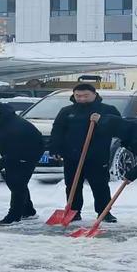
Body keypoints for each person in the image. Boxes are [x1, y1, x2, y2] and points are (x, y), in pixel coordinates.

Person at [50, 83, 121, 223]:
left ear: (94, 94)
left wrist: (101, 120)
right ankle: (73, 211)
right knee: (72, 185)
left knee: (100, 184)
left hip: (97, 155)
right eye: (78, 96)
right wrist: (55, 148)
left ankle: (104, 212)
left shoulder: (107, 110)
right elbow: (57, 131)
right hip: (72, 155)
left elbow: (118, 127)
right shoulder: (66, 111)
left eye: (85, 96)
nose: (81, 99)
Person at [0, 103, 44, 226]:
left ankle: (14, 216)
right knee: (14, 182)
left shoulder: (15, 127)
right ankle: (28, 211)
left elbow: (16, 151)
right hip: (12, 153)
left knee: (17, 183)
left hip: (29, 152)